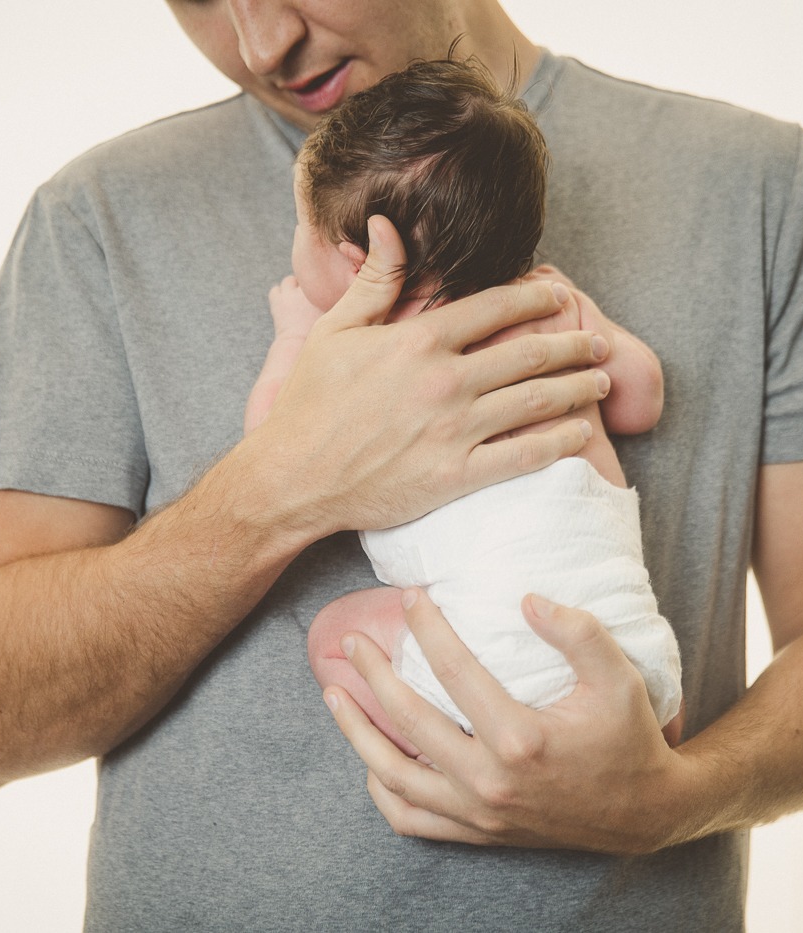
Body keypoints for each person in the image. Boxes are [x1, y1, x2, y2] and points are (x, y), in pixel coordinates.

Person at [0, 2, 803, 929]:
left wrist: (679, 799)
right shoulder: (98, 217)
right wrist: (284, 487)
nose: (258, 40)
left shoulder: (755, 187)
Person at [243, 57, 683, 755]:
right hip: (628, 649)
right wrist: (580, 307)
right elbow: (641, 398)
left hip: (484, 650)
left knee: (336, 636)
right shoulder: (551, 302)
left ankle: (449, 754)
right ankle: (658, 725)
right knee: (640, 692)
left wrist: (295, 340)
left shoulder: (357, 355)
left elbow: (271, 449)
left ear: (360, 263)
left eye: (302, 228)